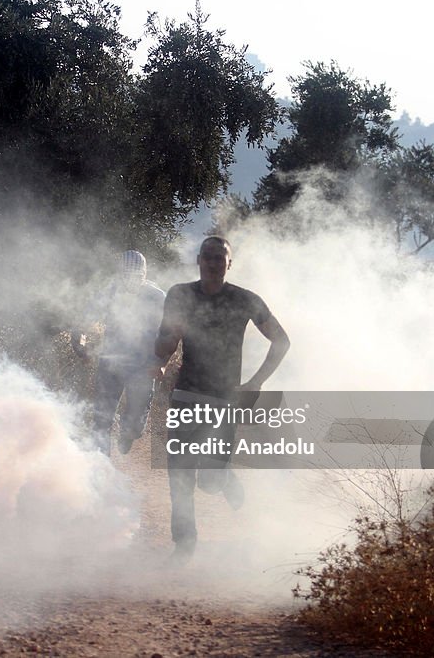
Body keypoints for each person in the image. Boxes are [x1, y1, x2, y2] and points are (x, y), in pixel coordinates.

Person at [153, 236, 290, 563]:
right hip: (186, 396)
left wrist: (256, 382)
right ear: (198, 260)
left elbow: (281, 341)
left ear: (230, 263)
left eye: (221, 258)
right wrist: (163, 352)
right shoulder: (179, 294)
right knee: (181, 473)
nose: (214, 263)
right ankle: (184, 544)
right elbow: (164, 343)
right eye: (208, 257)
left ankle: (224, 478)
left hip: (225, 402)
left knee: (211, 482)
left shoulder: (246, 300)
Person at [73, 250, 166, 455]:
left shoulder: (158, 297)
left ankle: (129, 432)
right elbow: (83, 321)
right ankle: (101, 470)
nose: (131, 281)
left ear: (144, 274)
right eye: (127, 275)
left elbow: (170, 332)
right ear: (119, 274)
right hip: (110, 363)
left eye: (136, 276)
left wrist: (161, 363)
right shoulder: (108, 292)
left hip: (143, 366)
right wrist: (81, 346)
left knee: (135, 425)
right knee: (101, 421)